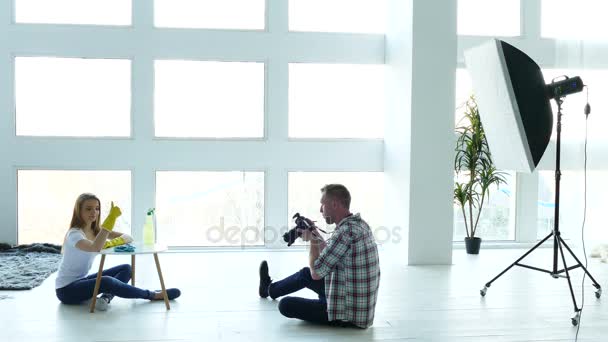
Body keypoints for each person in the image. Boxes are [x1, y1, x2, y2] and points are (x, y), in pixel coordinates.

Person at [258, 184, 380, 328]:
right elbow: (332, 253)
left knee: (285, 305)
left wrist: (313, 240)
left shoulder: (345, 232)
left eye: (322, 204)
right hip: (353, 301)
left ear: (334, 204)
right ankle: (268, 289)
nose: (320, 210)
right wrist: (314, 231)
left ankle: (272, 290)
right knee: (305, 274)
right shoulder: (358, 225)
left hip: (346, 315)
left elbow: (316, 273)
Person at [55, 193, 181, 311]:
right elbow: (95, 247)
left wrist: (111, 242)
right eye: (88, 209)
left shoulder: (96, 232)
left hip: (81, 280)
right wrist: (110, 221)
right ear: (79, 211)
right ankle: (152, 295)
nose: (94, 212)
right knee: (106, 281)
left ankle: (104, 299)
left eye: (97, 208)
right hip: (66, 290)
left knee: (127, 269)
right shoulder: (74, 234)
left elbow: (128, 238)